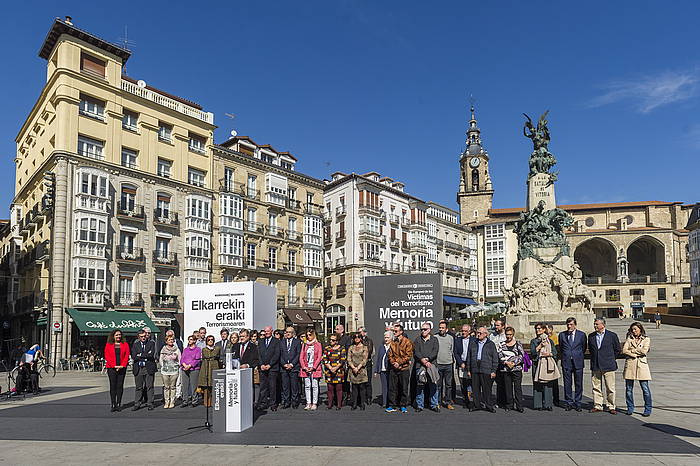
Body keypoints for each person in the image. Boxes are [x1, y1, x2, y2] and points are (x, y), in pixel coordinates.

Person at [588, 317, 621, 414]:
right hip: (596, 365)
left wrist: (611, 358)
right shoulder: (591, 336)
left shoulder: (612, 335)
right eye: (594, 324)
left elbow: (617, 349)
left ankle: (611, 406)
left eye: (597, 324)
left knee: (610, 387)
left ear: (603, 325)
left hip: (608, 365)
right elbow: (591, 349)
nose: (595, 326)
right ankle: (598, 405)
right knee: (596, 387)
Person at [622, 322, 652, 416]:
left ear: (640, 329)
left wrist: (632, 351)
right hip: (630, 364)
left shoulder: (646, 339)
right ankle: (630, 407)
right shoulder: (629, 338)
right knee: (629, 389)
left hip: (642, 365)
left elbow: (644, 351)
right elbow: (624, 350)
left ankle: (648, 408)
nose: (633, 331)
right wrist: (634, 354)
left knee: (645, 389)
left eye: (635, 329)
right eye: (632, 329)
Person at [466, 326, 499, 412]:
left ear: (486, 334)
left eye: (480, 333)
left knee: (487, 389)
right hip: (475, 369)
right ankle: (476, 405)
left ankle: (488, 405)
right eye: (477, 332)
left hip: (486, 369)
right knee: (475, 389)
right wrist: (469, 369)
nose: (478, 334)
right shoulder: (473, 343)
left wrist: (493, 370)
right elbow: (469, 357)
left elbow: (495, 358)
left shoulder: (491, 344)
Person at [558, 317, 587, 412]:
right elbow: (561, 348)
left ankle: (578, 402)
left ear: (575, 325)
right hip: (566, 362)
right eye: (568, 325)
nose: (569, 326)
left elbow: (583, 347)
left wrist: (576, 355)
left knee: (578, 383)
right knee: (567, 384)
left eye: (571, 324)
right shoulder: (562, 335)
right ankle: (569, 402)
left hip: (578, 362)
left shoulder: (581, 335)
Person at [386, 323, 414, 413]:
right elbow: (390, 355)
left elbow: (408, 356)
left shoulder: (407, 342)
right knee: (392, 388)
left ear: (401, 332)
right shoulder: (393, 342)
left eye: (396, 331)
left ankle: (403, 405)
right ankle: (392, 405)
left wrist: (399, 362)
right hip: (394, 368)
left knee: (404, 388)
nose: (394, 332)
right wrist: (393, 362)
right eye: (393, 331)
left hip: (404, 369)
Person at [530, 323, 559, 411]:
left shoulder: (549, 341)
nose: (537, 330)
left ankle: (548, 404)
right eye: (536, 328)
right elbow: (532, 352)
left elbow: (555, 352)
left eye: (539, 328)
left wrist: (548, 354)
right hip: (537, 364)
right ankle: (538, 404)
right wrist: (539, 347)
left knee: (548, 384)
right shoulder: (534, 341)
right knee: (537, 383)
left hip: (547, 364)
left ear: (543, 330)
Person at [413, 322, 440, 412]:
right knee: (420, 386)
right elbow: (416, 352)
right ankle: (420, 405)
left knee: (433, 385)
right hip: (420, 365)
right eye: (422, 329)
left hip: (432, 365)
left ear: (429, 330)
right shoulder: (417, 340)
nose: (423, 331)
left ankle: (434, 404)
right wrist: (423, 360)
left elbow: (435, 351)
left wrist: (428, 359)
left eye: (425, 329)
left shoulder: (434, 339)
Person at [497, 326, 525, 412]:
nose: (508, 336)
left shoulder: (518, 343)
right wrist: (506, 363)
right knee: (508, 388)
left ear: (513, 334)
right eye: (507, 334)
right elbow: (500, 355)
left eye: (510, 334)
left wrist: (514, 363)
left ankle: (519, 406)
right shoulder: (502, 344)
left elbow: (521, 355)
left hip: (516, 369)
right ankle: (509, 405)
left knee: (517, 388)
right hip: (506, 369)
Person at [104, 329, 131, 412]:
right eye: (116, 335)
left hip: (122, 368)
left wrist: (122, 365)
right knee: (113, 386)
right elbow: (107, 356)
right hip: (111, 368)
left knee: (120, 386)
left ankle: (119, 403)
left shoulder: (125, 344)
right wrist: (114, 366)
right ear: (113, 336)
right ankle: (113, 404)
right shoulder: (108, 345)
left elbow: (127, 355)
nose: (118, 336)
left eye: (119, 335)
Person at [131, 329, 157, 411]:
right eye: (141, 336)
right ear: (138, 337)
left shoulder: (151, 343)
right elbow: (134, 356)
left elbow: (151, 355)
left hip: (148, 367)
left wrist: (141, 355)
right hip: (138, 368)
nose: (143, 338)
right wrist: (145, 355)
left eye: (144, 336)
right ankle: (137, 403)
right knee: (139, 387)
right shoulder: (135, 345)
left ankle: (150, 403)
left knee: (149, 386)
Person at [256, 326, 281, 411]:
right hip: (262, 368)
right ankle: (263, 403)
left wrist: (270, 365)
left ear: (271, 331)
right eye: (265, 331)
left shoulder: (276, 341)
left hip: (272, 368)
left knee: (272, 386)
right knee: (263, 387)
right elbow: (258, 354)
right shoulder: (261, 341)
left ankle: (273, 404)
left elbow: (277, 354)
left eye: (268, 331)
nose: (266, 333)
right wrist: (261, 364)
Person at [454, 323, 476, 409]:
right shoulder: (458, 340)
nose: (463, 332)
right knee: (463, 383)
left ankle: (472, 401)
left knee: (471, 383)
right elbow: (455, 353)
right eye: (462, 331)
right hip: (461, 364)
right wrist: (460, 363)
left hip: (471, 364)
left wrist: (469, 364)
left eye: (465, 331)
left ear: (469, 332)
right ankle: (465, 400)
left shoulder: (474, 340)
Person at [322, 332, 346, 410]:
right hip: (329, 371)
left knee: (339, 389)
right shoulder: (327, 348)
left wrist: (335, 368)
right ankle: (330, 404)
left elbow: (342, 360)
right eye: (330, 340)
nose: (331, 341)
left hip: (338, 371)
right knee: (330, 388)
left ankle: (339, 404)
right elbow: (325, 359)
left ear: (337, 341)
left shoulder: (341, 348)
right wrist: (330, 368)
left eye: (333, 340)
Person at [435, 320, 455, 410]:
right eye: (440, 328)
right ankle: (438, 402)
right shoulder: (435, 337)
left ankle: (448, 402)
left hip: (448, 364)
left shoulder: (451, 338)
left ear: (446, 329)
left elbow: (452, 350)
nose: (441, 329)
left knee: (448, 385)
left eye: (443, 328)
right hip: (438, 364)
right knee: (438, 385)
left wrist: (451, 361)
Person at [279, 326, 302, 409]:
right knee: (285, 386)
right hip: (284, 367)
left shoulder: (297, 342)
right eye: (286, 332)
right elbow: (279, 354)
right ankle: (286, 402)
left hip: (294, 367)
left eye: (289, 332)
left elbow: (298, 354)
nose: (287, 333)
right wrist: (284, 364)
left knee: (294, 386)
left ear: (293, 333)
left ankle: (294, 402)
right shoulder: (281, 342)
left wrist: (292, 364)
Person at [347, 332, 369, 410]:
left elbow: (364, 359)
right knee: (354, 388)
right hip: (352, 370)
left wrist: (358, 367)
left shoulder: (364, 347)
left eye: (358, 337)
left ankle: (362, 404)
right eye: (355, 337)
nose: (357, 339)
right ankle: (354, 403)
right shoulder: (351, 347)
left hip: (361, 370)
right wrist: (353, 367)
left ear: (361, 338)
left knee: (362, 388)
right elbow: (349, 359)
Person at [198, 335, 221, 408]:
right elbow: (208, 355)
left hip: (214, 367)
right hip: (206, 368)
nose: (210, 341)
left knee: (214, 386)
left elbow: (214, 354)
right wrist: (212, 355)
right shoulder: (204, 349)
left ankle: (214, 402)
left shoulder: (217, 348)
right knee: (206, 387)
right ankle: (206, 402)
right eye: (208, 340)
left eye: (212, 339)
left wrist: (213, 354)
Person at [159, 334, 181, 409]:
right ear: (166, 341)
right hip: (165, 371)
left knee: (173, 387)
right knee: (166, 387)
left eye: (172, 340)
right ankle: (166, 401)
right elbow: (160, 359)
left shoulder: (177, 349)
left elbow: (179, 359)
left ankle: (172, 401)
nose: (171, 341)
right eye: (169, 340)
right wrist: (163, 366)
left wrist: (177, 366)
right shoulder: (163, 349)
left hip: (174, 371)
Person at [489, 319, 507, 408]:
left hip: (502, 361)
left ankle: (502, 401)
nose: (496, 327)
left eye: (498, 325)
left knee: (502, 382)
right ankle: (489, 400)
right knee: (490, 382)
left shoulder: (506, 336)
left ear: (503, 326)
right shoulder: (492, 335)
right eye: (495, 325)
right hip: (493, 361)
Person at [180, 335, 202, 408]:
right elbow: (182, 359)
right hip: (184, 369)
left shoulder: (198, 349)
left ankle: (194, 401)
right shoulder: (185, 349)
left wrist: (189, 365)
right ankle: (185, 401)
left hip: (194, 369)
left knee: (194, 386)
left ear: (195, 341)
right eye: (189, 339)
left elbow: (197, 359)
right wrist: (184, 365)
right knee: (185, 386)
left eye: (191, 339)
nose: (189, 341)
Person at [374, 330, 393, 408]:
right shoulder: (381, 346)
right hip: (382, 370)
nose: (386, 339)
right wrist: (376, 370)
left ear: (391, 338)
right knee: (384, 387)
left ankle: (391, 402)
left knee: (391, 387)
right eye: (385, 337)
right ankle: (385, 402)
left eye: (387, 337)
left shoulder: (394, 346)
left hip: (390, 370)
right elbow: (378, 359)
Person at [359, 326, 374, 406]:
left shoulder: (369, 341)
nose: (359, 334)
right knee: (359, 381)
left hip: (367, 363)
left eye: (360, 332)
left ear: (364, 332)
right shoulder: (355, 340)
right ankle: (360, 398)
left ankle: (369, 398)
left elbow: (369, 351)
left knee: (368, 381)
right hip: (358, 363)